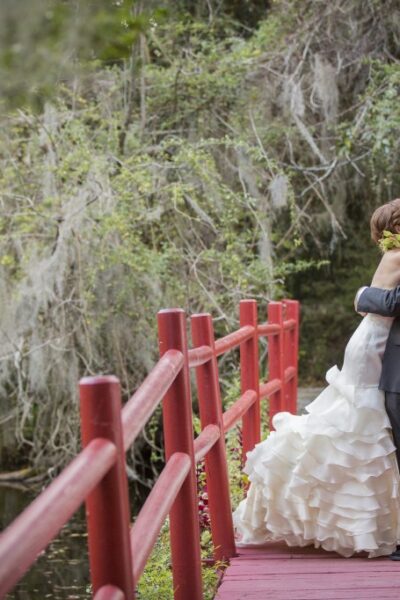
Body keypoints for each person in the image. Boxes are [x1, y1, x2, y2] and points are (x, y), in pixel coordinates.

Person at [233, 199, 400, 558]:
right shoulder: (397, 255)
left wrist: (361, 295)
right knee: (358, 417)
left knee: (363, 418)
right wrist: (361, 296)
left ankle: (358, 520)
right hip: (373, 342)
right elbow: (374, 302)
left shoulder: (394, 253)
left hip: (378, 340)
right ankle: (333, 511)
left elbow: (369, 299)